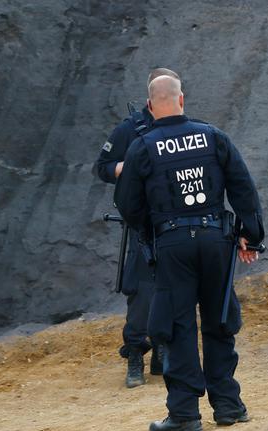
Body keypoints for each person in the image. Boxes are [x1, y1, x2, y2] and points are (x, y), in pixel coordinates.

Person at [115, 75, 264, 431]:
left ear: (151, 107)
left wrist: (150, 233)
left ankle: (184, 414)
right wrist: (251, 236)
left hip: (173, 244)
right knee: (219, 322)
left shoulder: (142, 145)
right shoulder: (212, 135)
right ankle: (229, 406)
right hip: (216, 239)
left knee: (177, 327)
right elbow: (243, 186)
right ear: (182, 99)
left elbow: (127, 203)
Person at [95, 68, 179, 388]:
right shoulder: (130, 129)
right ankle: (135, 351)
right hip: (143, 221)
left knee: (172, 286)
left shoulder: (181, 125)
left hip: (174, 219)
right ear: (150, 96)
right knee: (142, 291)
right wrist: (129, 168)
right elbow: (102, 167)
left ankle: (162, 347)